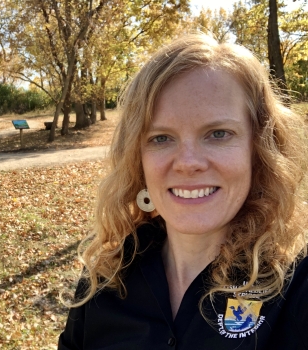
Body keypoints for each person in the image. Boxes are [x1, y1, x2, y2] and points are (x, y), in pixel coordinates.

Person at [58, 34, 308, 349]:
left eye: (218, 133)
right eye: (161, 138)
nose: (188, 163)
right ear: (139, 160)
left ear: (259, 149)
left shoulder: (298, 288)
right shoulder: (105, 278)